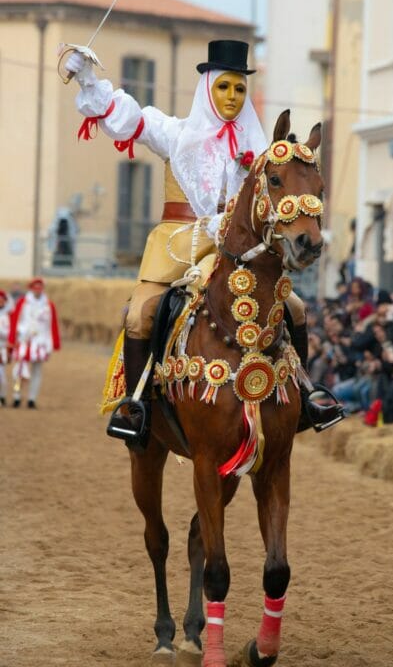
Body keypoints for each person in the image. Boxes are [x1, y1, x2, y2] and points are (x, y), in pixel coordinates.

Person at [65, 40, 343, 440]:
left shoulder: (258, 151)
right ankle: (137, 405)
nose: (232, 97)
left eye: (240, 89)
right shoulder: (175, 134)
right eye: (225, 87)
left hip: (237, 251)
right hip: (179, 243)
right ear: (208, 88)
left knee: (295, 308)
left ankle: (304, 393)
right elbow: (122, 118)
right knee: (140, 313)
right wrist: (87, 78)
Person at [8, 278, 61, 408]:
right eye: (35, 287)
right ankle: (17, 396)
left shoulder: (48, 305)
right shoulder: (23, 303)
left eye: (40, 288)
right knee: (20, 370)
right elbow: (15, 320)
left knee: (37, 371)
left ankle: (32, 398)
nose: (38, 290)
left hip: (40, 341)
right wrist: (13, 338)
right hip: (24, 341)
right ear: (31, 288)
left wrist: (53, 342)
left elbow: (52, 324)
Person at [0, 289, 13, 406]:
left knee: (1, 375)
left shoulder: (7, 316)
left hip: (2, 347)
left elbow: (9, 333)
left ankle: (2, 396)